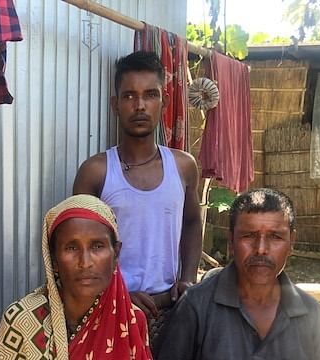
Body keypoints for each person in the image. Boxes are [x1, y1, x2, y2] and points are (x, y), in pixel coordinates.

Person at [73, 51, 202, 331]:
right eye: (129, 96)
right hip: (110, 313)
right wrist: (115, 295)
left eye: (150, 95)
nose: (140, 105)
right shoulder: (96, 172)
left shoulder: (183, 166)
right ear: (115, 105)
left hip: (170, 311)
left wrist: (188, 280)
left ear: (164, 102)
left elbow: (191, 222)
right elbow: (75, 252)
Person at [155, 188, 320, 360]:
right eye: (249, 236)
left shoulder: (311, 314)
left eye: (275, 237)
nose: (261, 249)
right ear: (231, 241)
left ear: (291, 242)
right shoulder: (196, 306)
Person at [0, 195, 152, 359]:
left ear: (116, 254)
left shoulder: (130, 318)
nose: (85, 262)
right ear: (54, 260)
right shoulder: (22, 320)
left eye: (97, 246)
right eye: (71, 248)